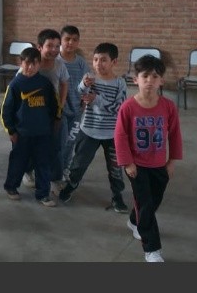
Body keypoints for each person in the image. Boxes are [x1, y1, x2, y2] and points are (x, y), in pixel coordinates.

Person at [114, 54, 183, 262]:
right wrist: (128, 162)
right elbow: (120, 136)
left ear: (162, 80)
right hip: (137, 166)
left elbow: (174, 134)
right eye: (145, 76)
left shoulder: (168, 106)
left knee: (153, 201)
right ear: (136, 79)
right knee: (145, 205)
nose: (150, 81)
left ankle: (135, 221)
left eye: (155, 77)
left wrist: (172, 161)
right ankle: (152, 249)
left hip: (159, 164)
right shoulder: (128, 107)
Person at [58, 42, 129, 213]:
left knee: (115, 168)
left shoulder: (120, 83)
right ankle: (71, 185)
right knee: (79, 163)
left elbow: (119, 108)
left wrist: (97, 99)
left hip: (112, 134)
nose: (98, 64)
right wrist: (83, 84)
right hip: (88, 131)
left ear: (114, 62)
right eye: (95, 59)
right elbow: (80, 93)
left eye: (103, 60)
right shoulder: (90, 78)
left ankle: (117, 196)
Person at [0, 47, 60, 207]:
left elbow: (54, 105)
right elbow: (6, 110)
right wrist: (11, 130)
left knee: (43, 163)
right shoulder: (15, 84)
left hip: (43, 133)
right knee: (18, 162)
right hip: (22, 134)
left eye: (34, 63)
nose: (30, 67)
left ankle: (43, 194)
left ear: (39, 64)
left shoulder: (45, 84)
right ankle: (11, 187)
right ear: (21, 63)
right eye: (27, 63)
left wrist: (55, 121)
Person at [22, 29, 69, 191]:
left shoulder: (59, 64)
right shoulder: (31, 63)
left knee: (56, 145)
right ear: (39, 47)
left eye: (57, 46)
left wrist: (61, 105)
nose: (54, 50)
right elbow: (18, 84)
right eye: (50, 46)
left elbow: (64, 83)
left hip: (52, 112)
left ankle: (55, 178)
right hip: (33, 113)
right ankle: (28, 171)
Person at [58, 25, 90, 181]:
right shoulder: (56, 61)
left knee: (71, 141)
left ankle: (65, 168)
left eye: (74, 40)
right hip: (60, 110)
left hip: (77, 110)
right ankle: (56, 171)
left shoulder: (81, 63)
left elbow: (86, 84)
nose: (70, 42)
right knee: (61, 142)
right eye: (67, 39)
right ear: (61, 40)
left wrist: (84, 101)